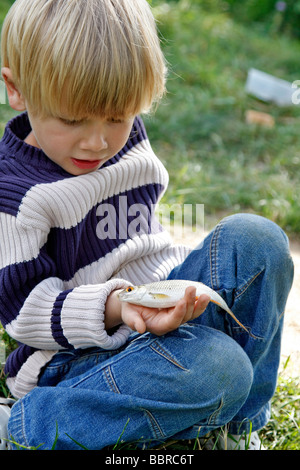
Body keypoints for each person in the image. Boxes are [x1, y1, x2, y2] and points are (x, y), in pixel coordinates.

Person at [0, 0, 294, 451]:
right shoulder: (15, 193)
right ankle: (26, 427)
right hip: (77, 360)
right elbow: (25, 313)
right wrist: (118, 306)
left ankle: (233, 427)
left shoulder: (123, 138)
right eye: (73, 119)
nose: (98, 141)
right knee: (221, 367)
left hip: (156, 310)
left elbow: (140, 241)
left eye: (117, 116)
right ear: (15, 89)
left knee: (259, 240)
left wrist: (170, 294)